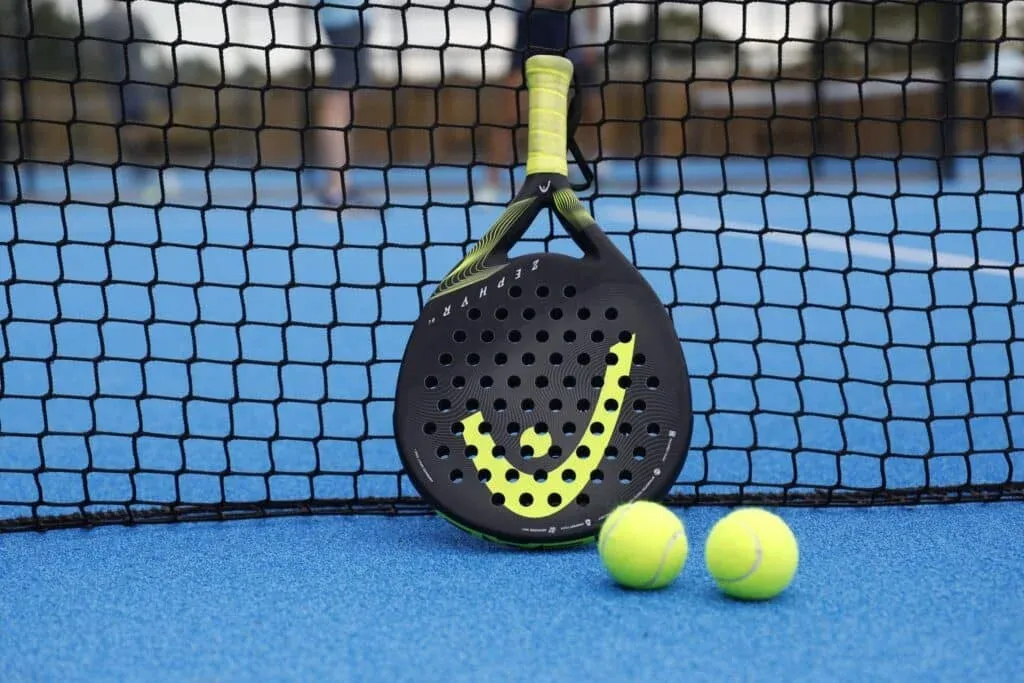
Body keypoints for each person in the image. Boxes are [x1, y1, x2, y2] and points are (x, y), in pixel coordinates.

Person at [481, 0, 601, 201]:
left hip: (561, 29)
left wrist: (591, 38)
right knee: (509, 114)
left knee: (563, 112)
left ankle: (559, 173)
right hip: (531, 28)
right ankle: (492, 183)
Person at [87, 0, 164, 199]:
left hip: (121, 80)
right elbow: (150, 42)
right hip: (138, 78)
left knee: (129, 125)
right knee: (136, 123)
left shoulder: (105, 19)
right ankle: (141, 167)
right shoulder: (136, 17)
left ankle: (139, 166)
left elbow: (97, 51)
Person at [312, 0, 372, 207]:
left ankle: (341, 186)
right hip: (346, 16)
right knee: (338, 102)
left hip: (349, 17)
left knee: (346, 101)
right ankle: (337, 189)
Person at [987, 41, 1024, 154]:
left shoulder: (993, 55)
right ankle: (1010, 143)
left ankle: (1003, 143)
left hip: (998, 89)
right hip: (1006, 90)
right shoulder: (1012, 55)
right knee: (1010, 117)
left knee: (1000, 117)